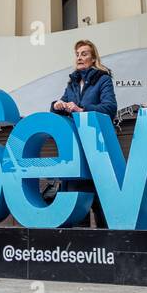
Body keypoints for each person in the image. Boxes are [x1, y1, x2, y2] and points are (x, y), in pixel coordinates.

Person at [50, 39, 117, 226]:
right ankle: (81, 248)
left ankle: (107, 246)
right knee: (76, 203)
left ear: (93, 58)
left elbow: (110, 108)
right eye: (77, 54)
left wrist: (81, 109)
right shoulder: (71, 83)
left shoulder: (102, 79)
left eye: (84, 54)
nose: (80, 57)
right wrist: (57, 105)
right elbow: (61, 106)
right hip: (76, 150)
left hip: (96, 148)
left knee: (100, 202)